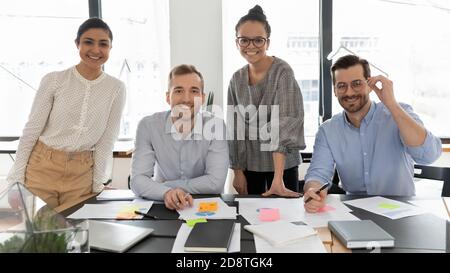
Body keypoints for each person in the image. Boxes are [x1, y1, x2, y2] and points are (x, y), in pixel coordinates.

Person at [6, 18, 126, 210]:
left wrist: (98, 185)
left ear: (111, 48)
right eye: (88, 42)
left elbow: (107, 139)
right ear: (77, 44)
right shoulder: (54, 80)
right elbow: (32, 130)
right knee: (37, 236)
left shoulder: (116, 88)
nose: (96, 50)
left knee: (76, 235)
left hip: (82, 176)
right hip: (41, 169)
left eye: (103, 44)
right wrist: (16, 179)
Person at [304, 54, 442, 213]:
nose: (349, 92)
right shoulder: (328, 130)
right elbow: (318, 173)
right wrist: (313, 190)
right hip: (353, 212)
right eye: (341, 85)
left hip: (401, 211)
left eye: (356, 83)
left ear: (370, 85)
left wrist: (392, 105)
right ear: (335, 91)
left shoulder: (399, 113)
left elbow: (429, 155)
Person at [227, 5, 305, 197]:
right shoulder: (236, 79)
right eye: (244, 40)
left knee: (284, 222)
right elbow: (234, 128)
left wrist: (277, 178)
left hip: (282, 167)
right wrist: (237, 171)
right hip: (249, 166)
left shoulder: (282, 72)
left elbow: (285, 123)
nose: (250, 46)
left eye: (258, 40)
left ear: (267, 43)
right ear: (237, 43)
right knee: (249, 220)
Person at [130, 64, 228, 210]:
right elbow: (137, 180)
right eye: (178, 91)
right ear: (168, 97)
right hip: (162, 202)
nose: (186, 99)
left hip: (206, 204)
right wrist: (166, 193)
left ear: (202, 98)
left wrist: (166, 186)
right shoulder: (148, 126)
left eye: (194, 91)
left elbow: (215, 183)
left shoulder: (216, 126)